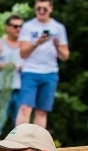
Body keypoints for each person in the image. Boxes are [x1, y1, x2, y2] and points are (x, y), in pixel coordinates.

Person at [15, 0, 68, 128]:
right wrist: (36, 43)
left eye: (44, 8)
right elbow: (23, 53)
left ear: (51, 9)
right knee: (25, 108)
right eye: (38, 8)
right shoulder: (28, 27)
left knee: (42, 111)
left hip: (50, 72)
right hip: (30, 71)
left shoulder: (58, 28)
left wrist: (57, 46)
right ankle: (19, 141)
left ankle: (37, 143)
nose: (41, 11)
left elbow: (65, 56)